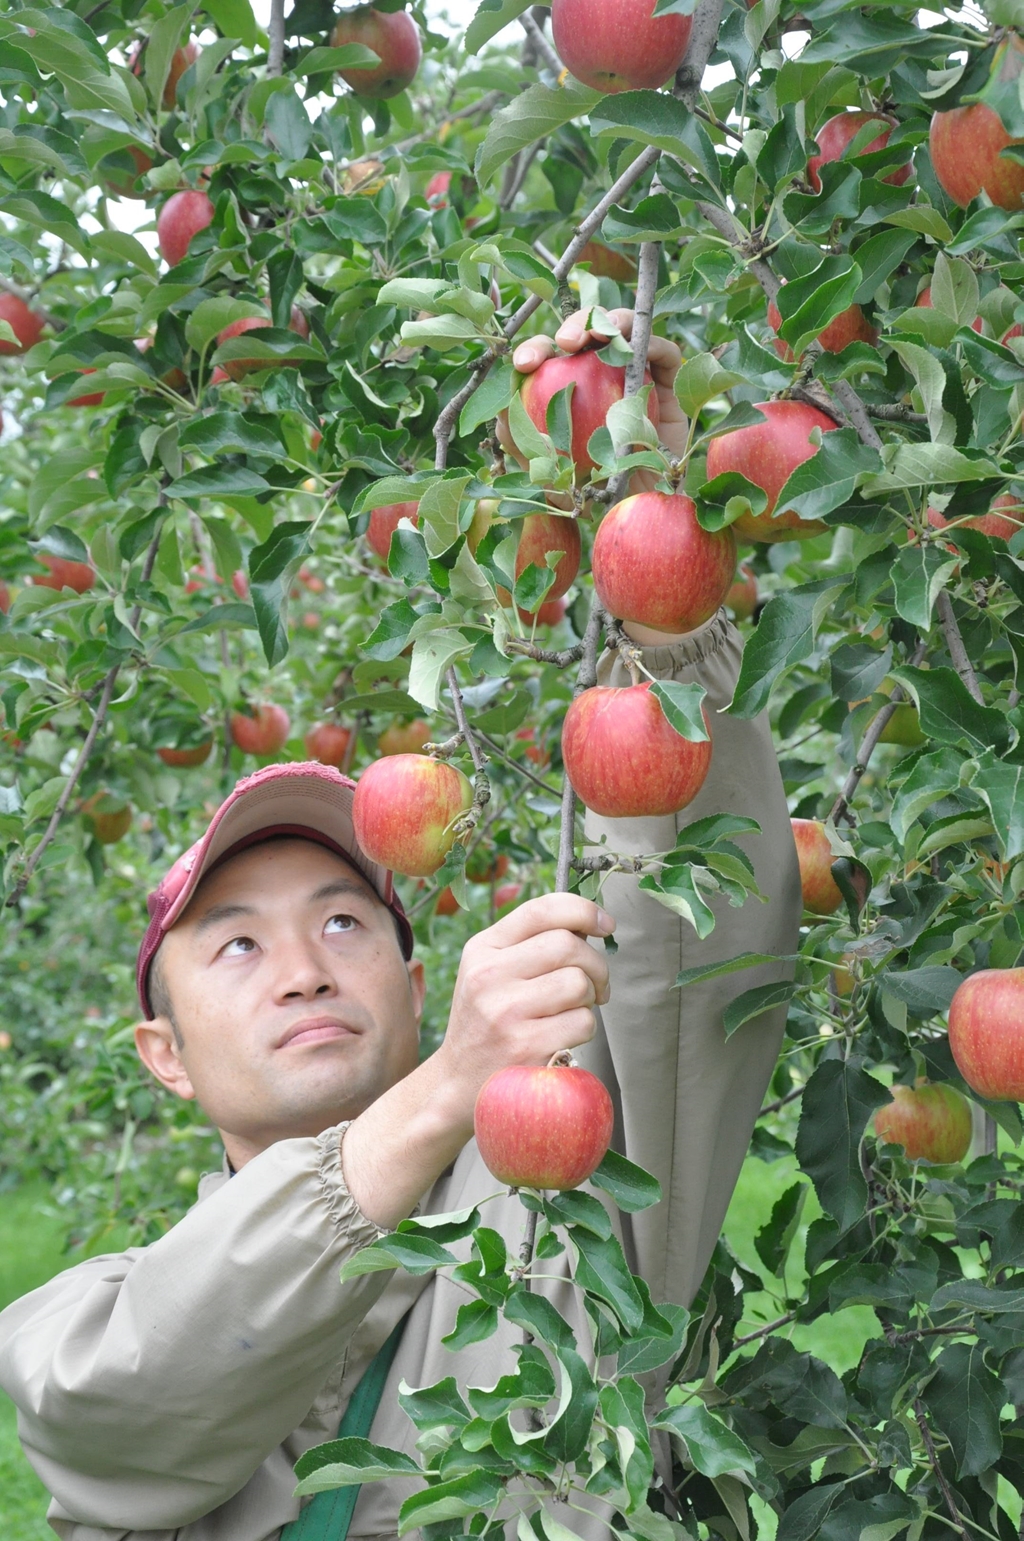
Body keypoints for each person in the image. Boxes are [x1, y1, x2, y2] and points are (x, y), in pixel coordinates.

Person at [0, 310, 801, 1541]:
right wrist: (445, 1086)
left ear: (419, 984)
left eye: (342, 918)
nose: (305, 967)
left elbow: (692, 946)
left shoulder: (556, 1209)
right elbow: (132, 1402)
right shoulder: (78, 1323)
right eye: (236, 942)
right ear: (160, 1048)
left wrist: (655, 544)